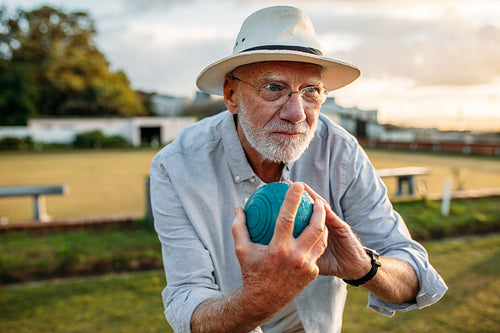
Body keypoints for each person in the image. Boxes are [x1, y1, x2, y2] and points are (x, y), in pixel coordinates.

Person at [150, 5, 447, 333]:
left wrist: (362, 266)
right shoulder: (177, 166)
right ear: (231, 95)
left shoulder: (339, 152)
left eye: (311, 91)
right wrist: (261, 296)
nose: (296, 112)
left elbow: (415, 274)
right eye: (274, 88)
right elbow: (187, 302)